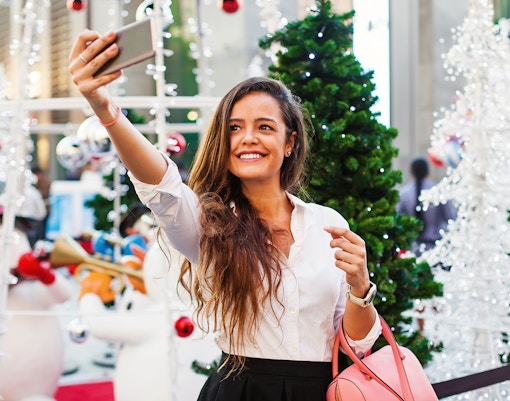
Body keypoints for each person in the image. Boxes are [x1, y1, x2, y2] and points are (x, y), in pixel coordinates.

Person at [69, 29, 381, 401]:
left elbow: (355, 346)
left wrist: (360, 287)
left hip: (316, 391)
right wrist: (104, 109)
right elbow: (161, 185)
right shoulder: (207, 223)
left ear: (290, 142)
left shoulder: (326, 224)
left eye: (264, 127)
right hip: (240, 391)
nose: (248, 138)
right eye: (235, 128)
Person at [397, 157, 457, 256]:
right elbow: (451, 219)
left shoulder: (403, 194)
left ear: (411, 173)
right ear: (428, 172)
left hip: (413, 249)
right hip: (437, 250)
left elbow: (398, 221)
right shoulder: (439, 192)